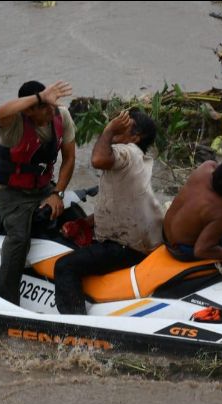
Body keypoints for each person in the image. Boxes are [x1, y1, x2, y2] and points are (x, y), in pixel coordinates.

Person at [54, 109, 163, 315]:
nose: (116, 128)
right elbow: (122, 204)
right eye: (117, 124)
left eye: (123, 126)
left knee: (65, 266)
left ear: (135, 137)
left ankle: (76, 331)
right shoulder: (137, 159)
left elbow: (97, 159)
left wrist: (109, 130)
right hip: (138, 241)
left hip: (125, 246)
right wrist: (86, 223)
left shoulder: (127, 151)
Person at [0, 80, 76, 305]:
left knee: (77, 218)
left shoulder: (62, 116)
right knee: (19, 238)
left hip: (45, 189)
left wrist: (57, 193)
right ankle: (6, 302)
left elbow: (68, 158)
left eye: (53, 104)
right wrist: (41, 96)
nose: (52, 110)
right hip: (13, 194)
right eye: (45, 106)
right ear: (29, 110)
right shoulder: (13, 125)